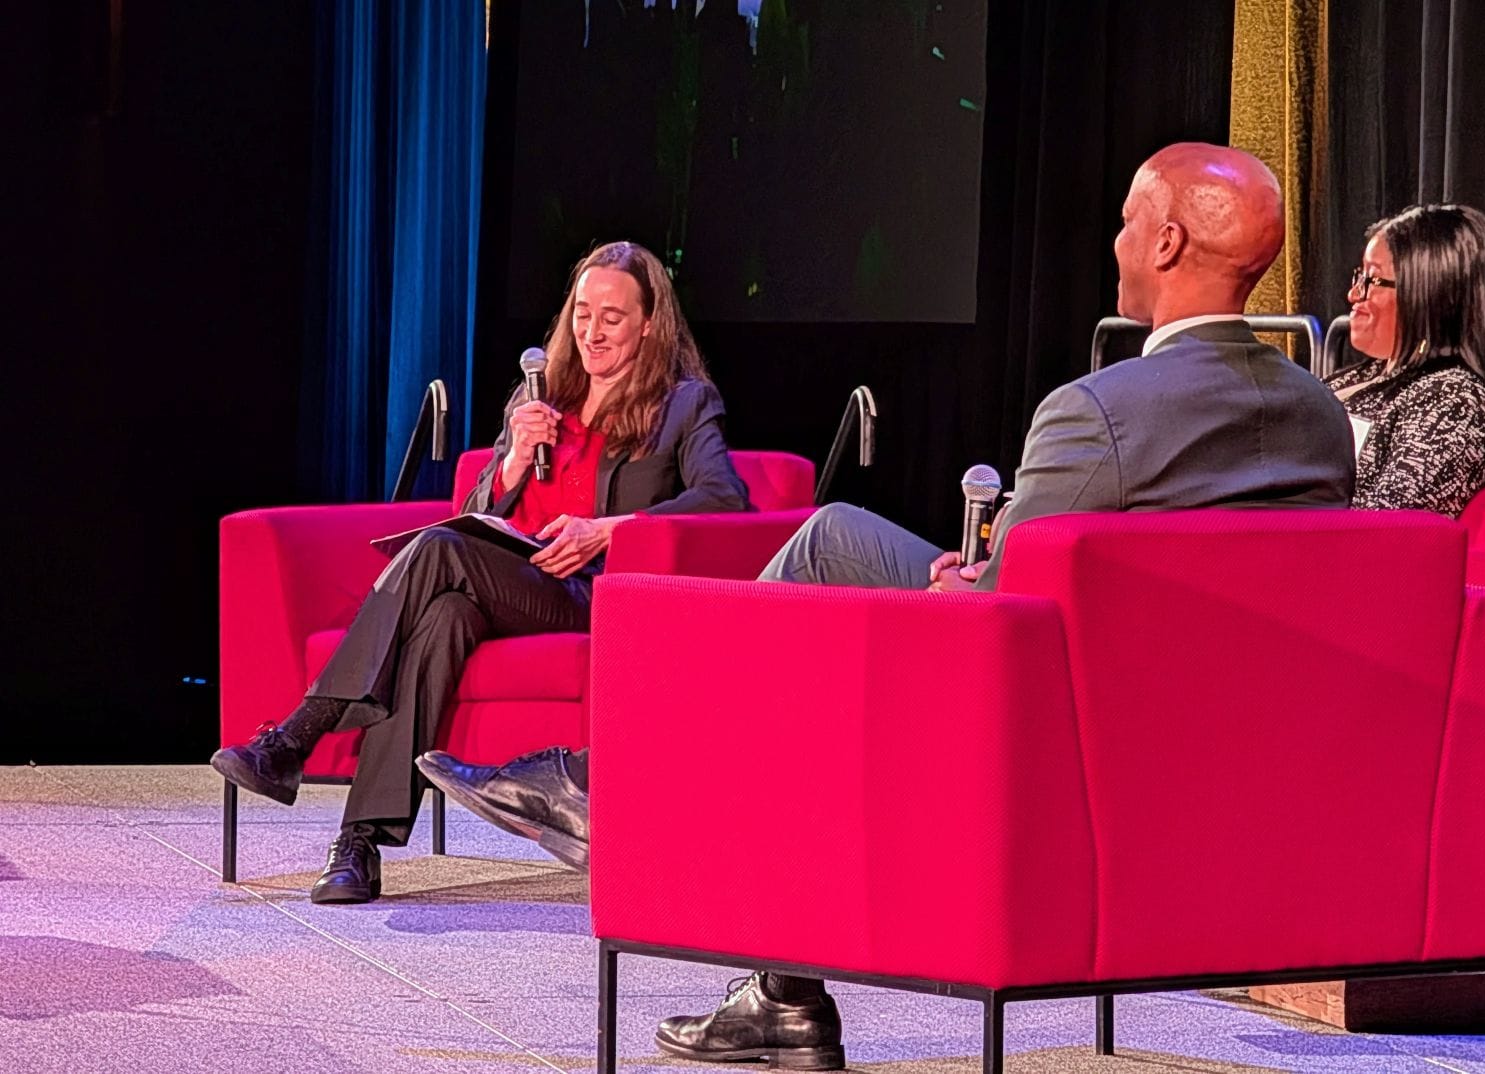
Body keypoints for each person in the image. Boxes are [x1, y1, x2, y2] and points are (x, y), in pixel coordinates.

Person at [421, 143, 1356, 1070]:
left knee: (806, 651)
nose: (1110, 241)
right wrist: (981, 578)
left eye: (1123, 221)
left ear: (1164, 243)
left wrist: (972, 587)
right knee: (833, 539)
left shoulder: (1098, 413)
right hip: (1206, 736)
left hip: (1045, 731)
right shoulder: (1317, 416)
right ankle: (764, 975)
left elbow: (1007, 607)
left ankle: (619, 783)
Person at [211, 241, 749, 904]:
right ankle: (360, 845)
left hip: (595, 588)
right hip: (512, 579)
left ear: (647, 323)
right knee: (441, 618)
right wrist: (518, 457)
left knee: (437, 550)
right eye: (583, 312)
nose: (593, 330)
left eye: (613, 316)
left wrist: (607, 531)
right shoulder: (543, 393)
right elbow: (474, 513)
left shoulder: (683, 405)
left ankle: (299, 732)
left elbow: (726, 499)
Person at [1325, 203, 1485, 516]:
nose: (1353, 294)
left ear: (1429, 292)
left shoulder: (1458, 404)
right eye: (1358, 275)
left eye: (1372, 280)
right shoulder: (1351, 379)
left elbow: (1387, 526)